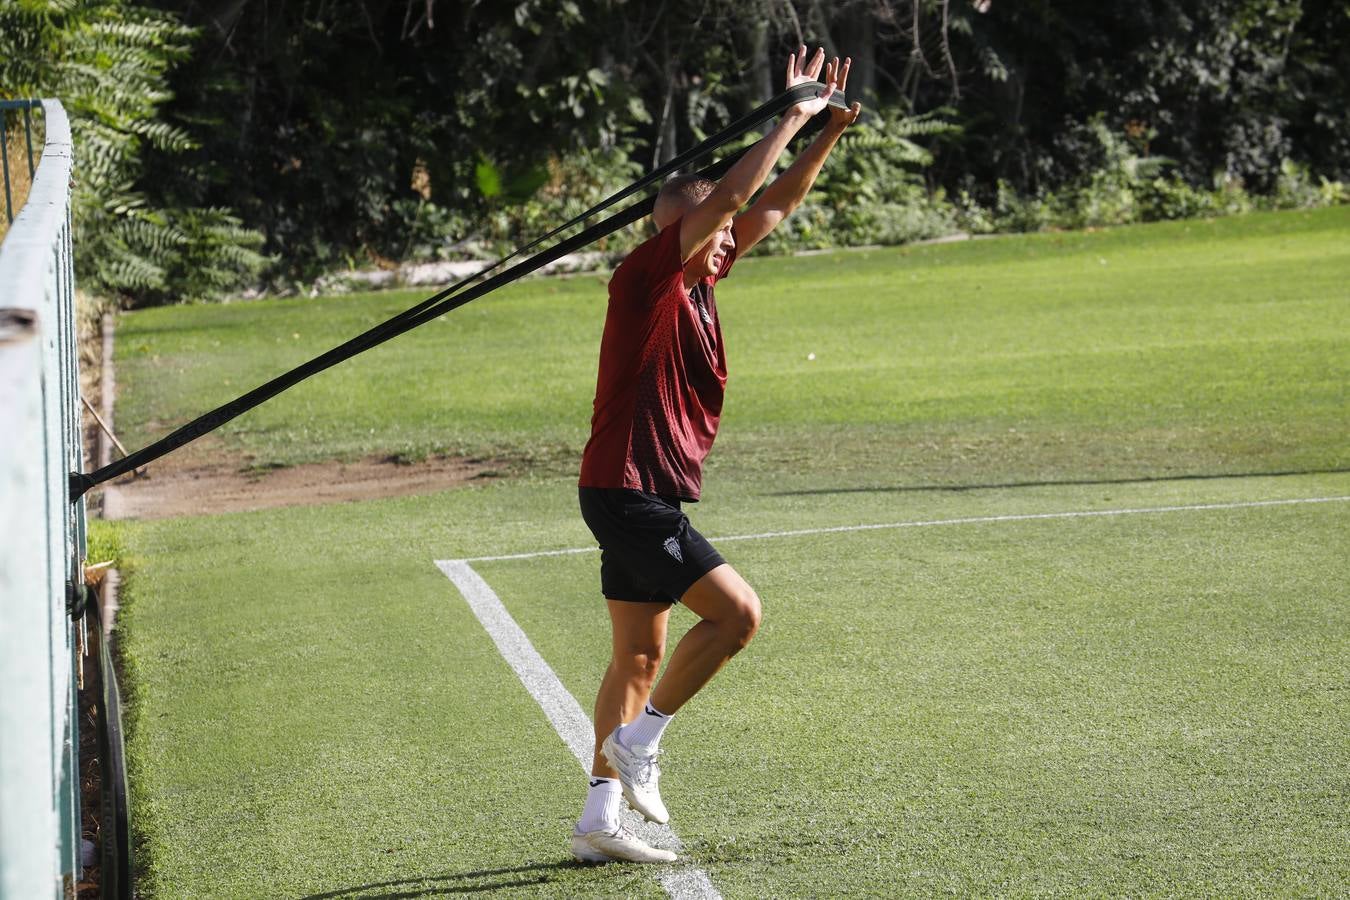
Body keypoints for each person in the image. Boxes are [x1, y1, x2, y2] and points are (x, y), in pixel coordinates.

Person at [571, 46, 862, 864]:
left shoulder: (701, 278)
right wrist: (792, 112)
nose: (738, 237)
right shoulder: (647, 278)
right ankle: (641, 742)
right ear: (690, 227)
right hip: (628, 491)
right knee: (737, 615)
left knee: (638, 651)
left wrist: (828, 130)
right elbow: (738, 193)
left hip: (635, 487)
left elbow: (774, 202)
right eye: (723, 228)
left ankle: (598, 820)